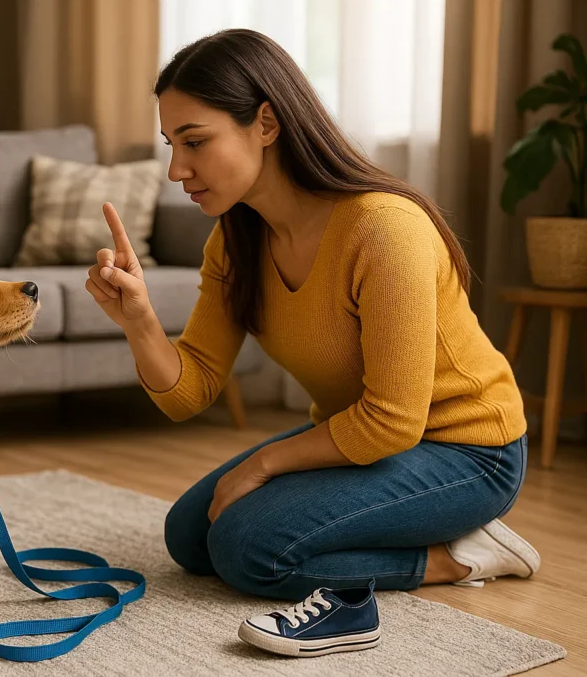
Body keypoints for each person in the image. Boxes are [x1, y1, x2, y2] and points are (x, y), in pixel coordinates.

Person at [85, 29, 538, 605]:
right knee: (190, 538)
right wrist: (139, 320)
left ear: (267, 124)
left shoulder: (383, 230)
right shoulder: (237, 239)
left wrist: (263, 465)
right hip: (369, 437)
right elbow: (188, 392)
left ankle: (461, 555)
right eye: (172, 144)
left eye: (195, 142)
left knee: (250, 551)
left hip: (468, 451)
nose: (176, 170)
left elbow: (394, 421)